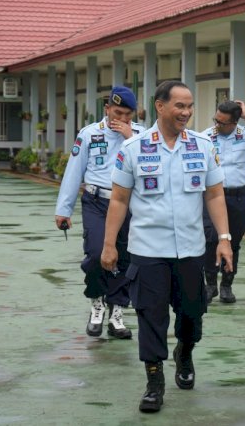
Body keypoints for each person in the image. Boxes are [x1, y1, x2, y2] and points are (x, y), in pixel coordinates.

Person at [101, 80, 233, 413]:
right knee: (151, 317)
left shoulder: (202, 146)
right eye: (180, 106)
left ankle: (184, 352)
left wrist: (224, 239)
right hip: (148, 250)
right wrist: (109, 245)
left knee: (191, 314)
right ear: (160, 107)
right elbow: (119, 199)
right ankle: (154, 381)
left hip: (190, 250)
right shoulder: (134, 148)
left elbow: (214, 194)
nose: (186, 113)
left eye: (190, 107)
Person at [54, 86, 145, 339]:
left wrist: (130, 139)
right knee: (96, 254)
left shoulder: (141, 135)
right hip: (96, 200)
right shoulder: (89, 134)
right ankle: (96, 302)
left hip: (129, 204)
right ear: (107, 109)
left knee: (124, 258)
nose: (123, 119)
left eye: (128, 114)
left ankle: (117, 311)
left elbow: (148, 167)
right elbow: (74, 171)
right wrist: (64, 210)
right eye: (118, 113)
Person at [201, 99, 245, 303]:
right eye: (216, 120)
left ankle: (227, 286)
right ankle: (210, 284)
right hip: (213, 196)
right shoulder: (207, 136)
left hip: (237, 196)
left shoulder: (244, 134)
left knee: (234, 241)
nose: (217, 124)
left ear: (234, 122)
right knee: (211, 239)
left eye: (222, 122)